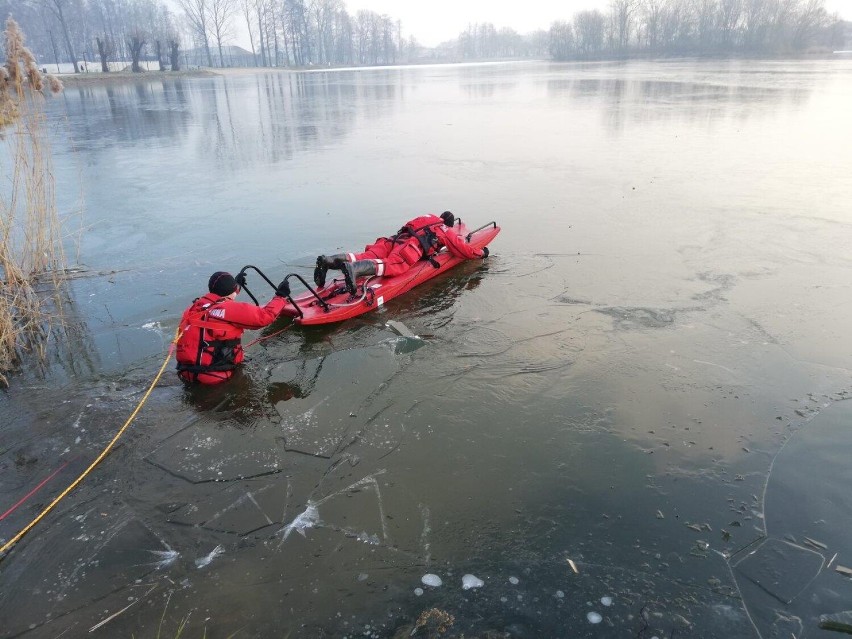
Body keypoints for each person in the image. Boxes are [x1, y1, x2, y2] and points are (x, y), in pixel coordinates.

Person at [314, 211, 489, 294]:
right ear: (449, 224)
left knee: (362, 256)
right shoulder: (443, 229)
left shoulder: (426, 217)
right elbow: (462, 249)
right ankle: (355, 269)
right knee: (392, 266)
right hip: (408, 248)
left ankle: (328, 261)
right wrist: (480, 253)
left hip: (393, 240)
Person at [175, 271, 290, 384]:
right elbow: (264, 317)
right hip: (215, 377)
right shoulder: (228, 310)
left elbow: (225, 296)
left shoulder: (195, 308)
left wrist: (237, 285)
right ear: (231, 291)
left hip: (186, 373)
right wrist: (281, 297)